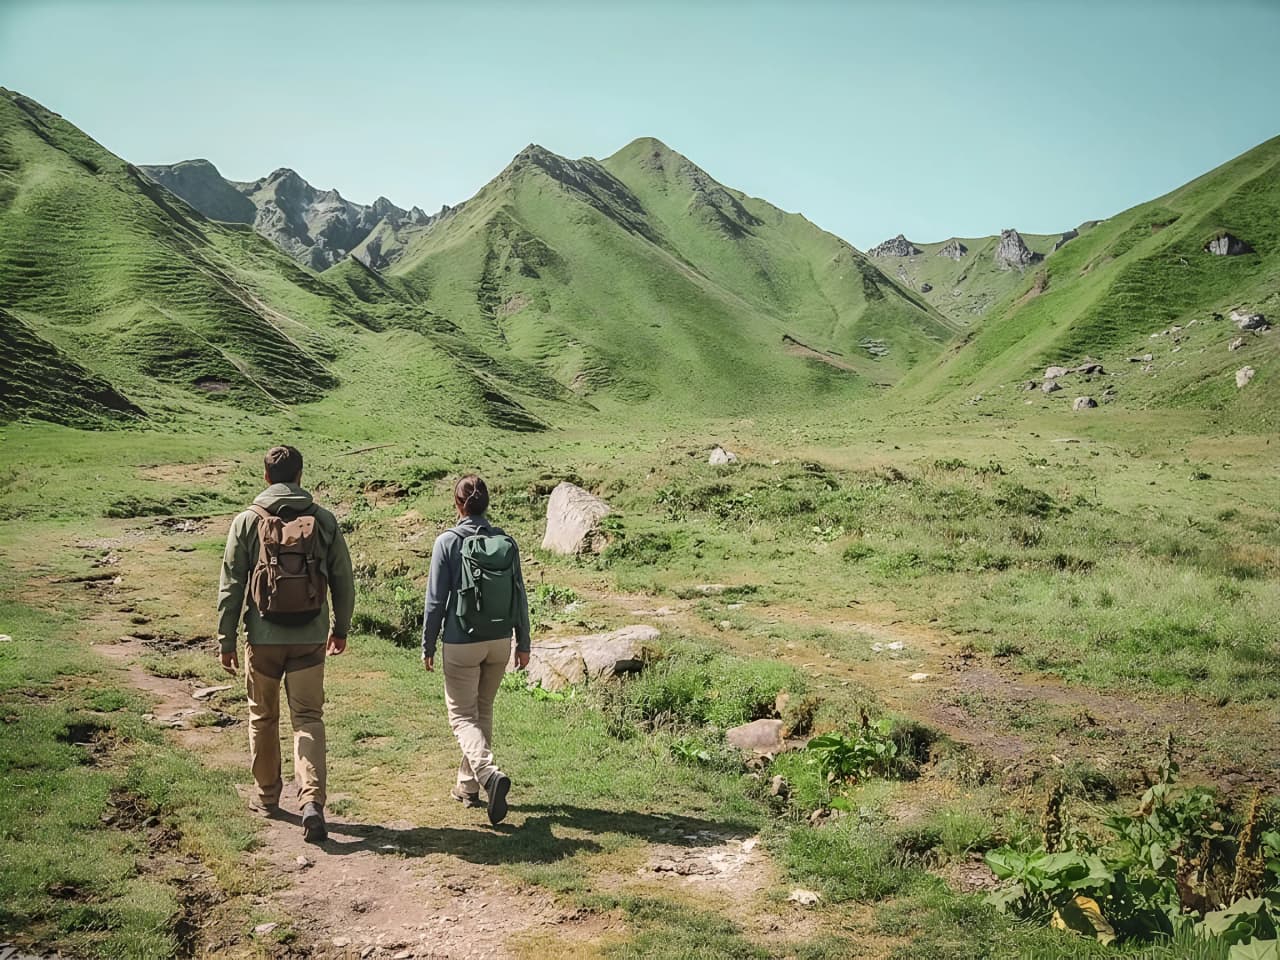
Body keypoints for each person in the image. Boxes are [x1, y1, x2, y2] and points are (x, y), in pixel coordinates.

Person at [216, 445, 355, 843]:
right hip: (310, 637)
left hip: (262, 639)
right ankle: (312, 801)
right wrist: (340, 627)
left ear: (265, 478)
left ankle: (267, 796)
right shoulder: (324, 520)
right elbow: (343, 578)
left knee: (263, 717)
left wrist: (226, 638)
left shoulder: (246, 521)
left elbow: (231, 586)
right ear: (300, 476)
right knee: (308, 718)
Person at [422, 475, 531, 825]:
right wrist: (523, 642)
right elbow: (520, 595)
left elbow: (435, 601)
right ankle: (467, 786)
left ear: (458, 505)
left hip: (461, 641)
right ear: (487, 504)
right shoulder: (506, 541)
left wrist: (427, 642)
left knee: (461, 717)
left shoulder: (447, 542)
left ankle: (487, 774)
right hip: (500, 640)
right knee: (482, 710)